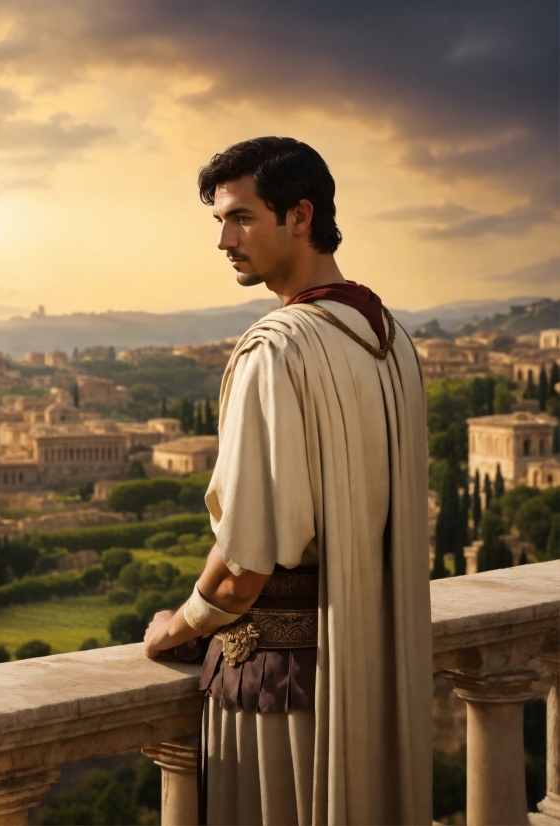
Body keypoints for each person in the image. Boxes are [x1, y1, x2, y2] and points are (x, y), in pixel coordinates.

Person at [144, 137, 432, 826]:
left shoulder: (276, 350)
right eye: (219, 221)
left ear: (300, 217)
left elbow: (246, 564)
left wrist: (178, 624)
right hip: (371, 672)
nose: (223, 241)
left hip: (277, 686)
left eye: (240, 218)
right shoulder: (390, 337)